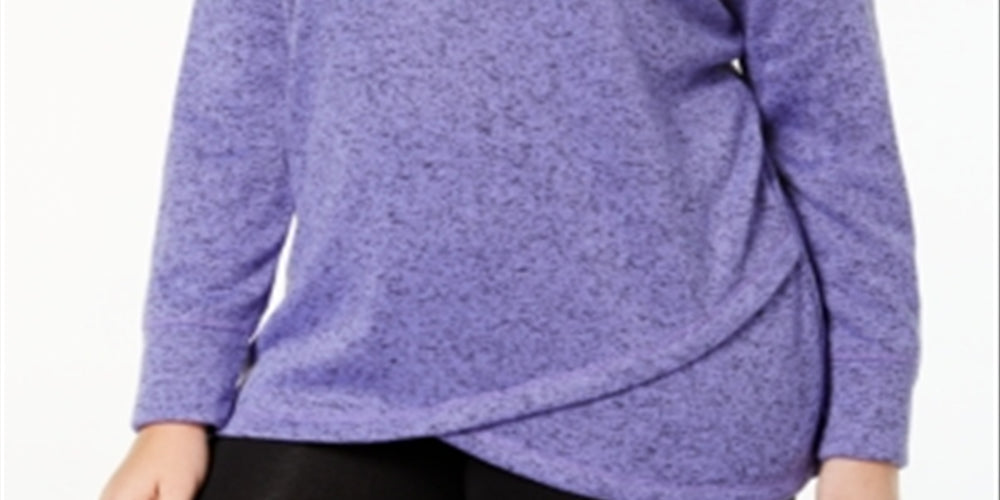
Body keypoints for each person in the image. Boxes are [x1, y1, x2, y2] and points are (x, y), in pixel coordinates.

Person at [100, 0, 920, 498]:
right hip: (347, 375)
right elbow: (232, 124)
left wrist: (865, 440)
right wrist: (177, 404)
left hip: (666, 385)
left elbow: (839, 145)